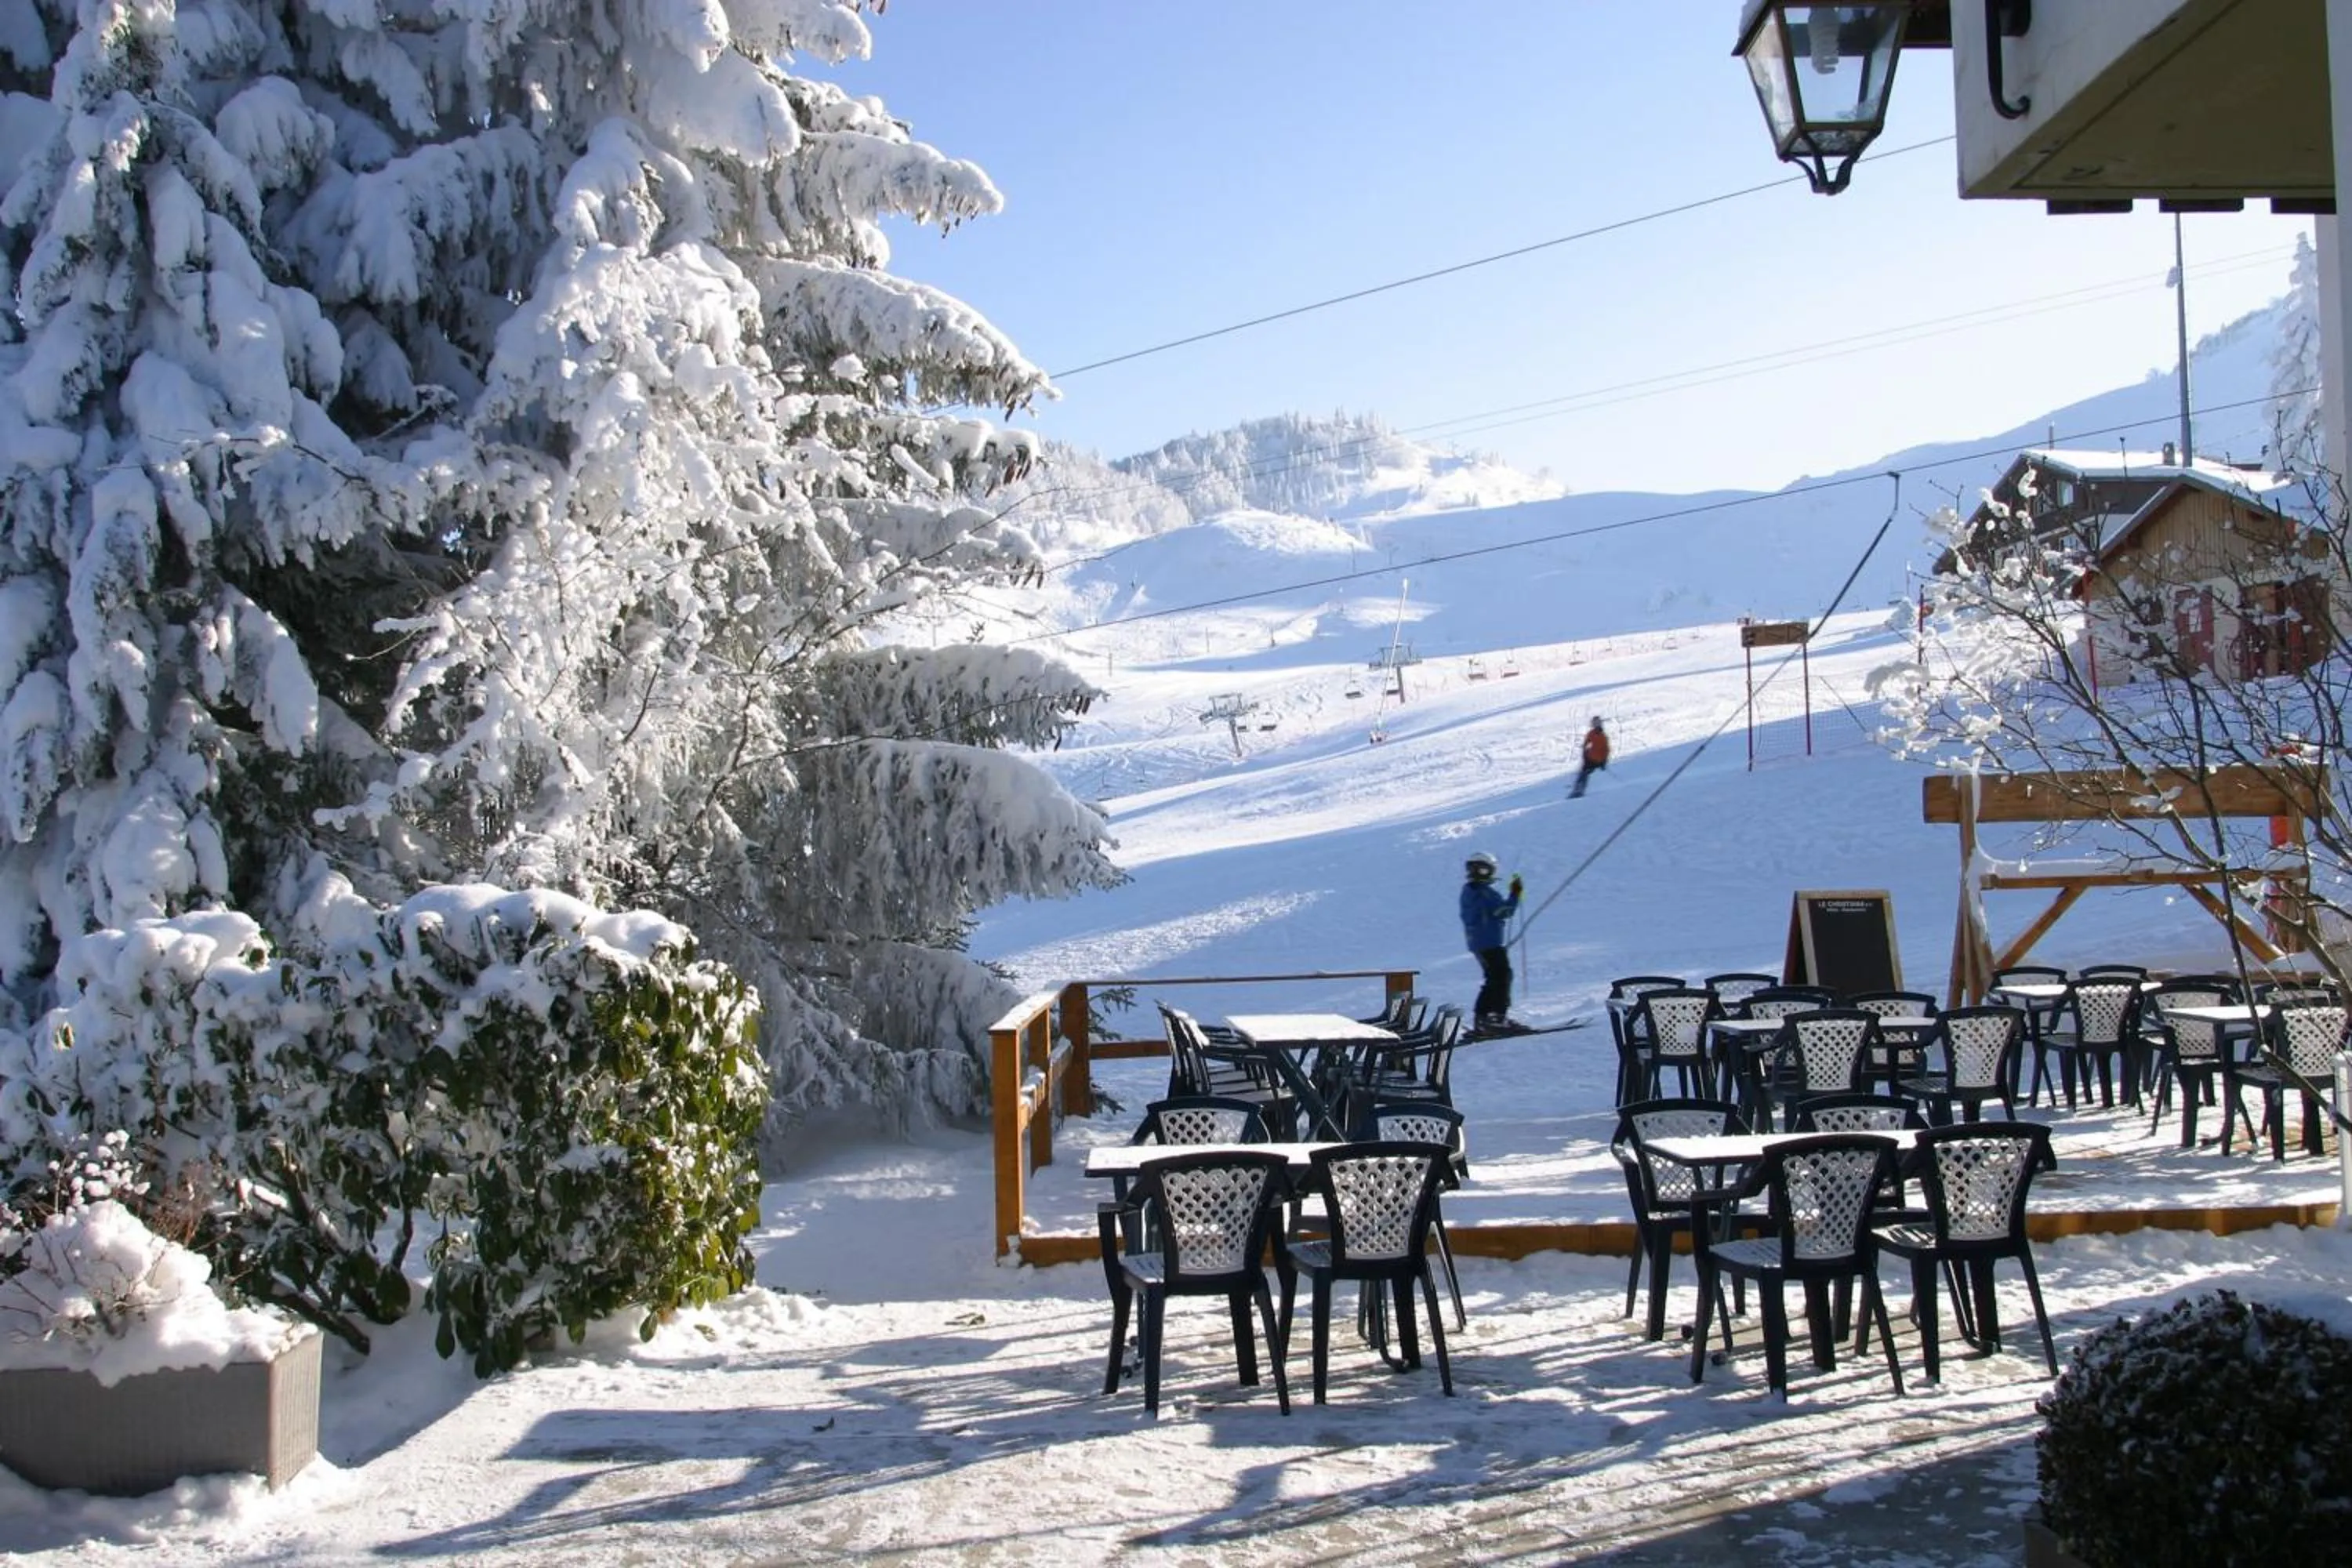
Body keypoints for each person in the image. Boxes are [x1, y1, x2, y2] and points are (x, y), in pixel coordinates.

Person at [1458, 850, 1525, 1033]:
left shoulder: (1471, 891)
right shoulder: (1483, 893)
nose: (1479, 873)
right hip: (1489, 943)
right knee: (1502, 976)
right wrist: (1516, 894)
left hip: (1481, 942)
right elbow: (1505, 911)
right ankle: (1496, 1017)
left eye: (1483, 869)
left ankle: (1483, 1018)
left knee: (1494, 978)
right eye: (1476, 869)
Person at [1570, 717, 1610, 798]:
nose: (1596, 725)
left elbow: (1606, 750)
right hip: (1590, 758)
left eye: (1597, 723)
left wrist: (1604, 762)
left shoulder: (1603, 736)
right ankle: (1578, 790)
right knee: (1583, 773)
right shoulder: (1592, 733)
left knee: (1584, 773)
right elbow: (1586, 744)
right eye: (1595, 723)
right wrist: (1585, 753)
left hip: (1596, 761)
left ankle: (1579, 790)